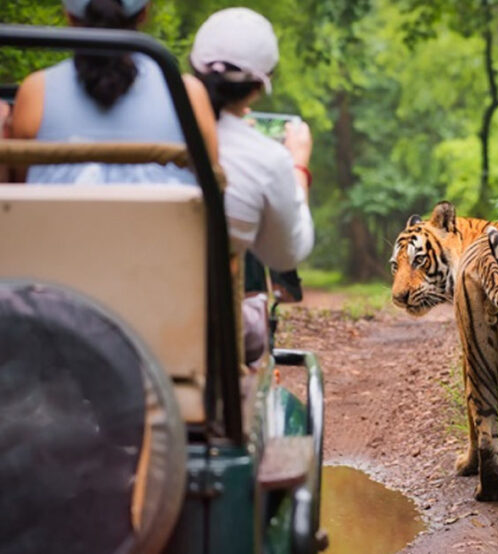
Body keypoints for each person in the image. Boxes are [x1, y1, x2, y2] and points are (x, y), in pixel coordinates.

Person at [191, 8, 315, 364]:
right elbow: (286, 253)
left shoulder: (141, 129)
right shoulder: (265, 158)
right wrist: (297, 166)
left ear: (193, 67)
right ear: (262, 83)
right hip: (208, 339)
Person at [10, 0, 218, 184]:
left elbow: (22, 189)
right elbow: (213, 190)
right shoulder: (187, 94)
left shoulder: (36, 92)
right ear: (145, 12)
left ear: (69, 15)